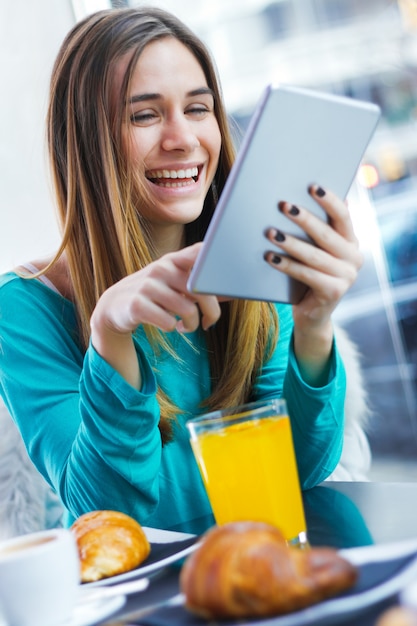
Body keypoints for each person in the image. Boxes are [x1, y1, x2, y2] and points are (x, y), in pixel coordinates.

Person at [0, 7, 363, 533]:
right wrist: (109, 332)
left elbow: (301, 471)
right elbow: (110, 516)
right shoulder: (24, 309)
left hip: (258, 571)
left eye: (198, 108)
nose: (183, 138)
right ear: (84, 141)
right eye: (144, 115)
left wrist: (313, 325)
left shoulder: (251, 263)